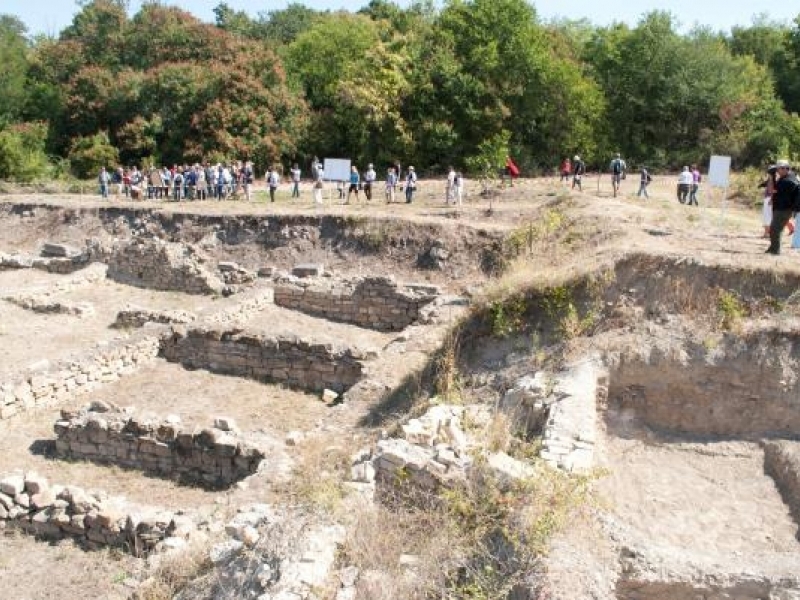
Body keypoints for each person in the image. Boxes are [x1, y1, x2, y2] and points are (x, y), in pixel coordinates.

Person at [766, 160, 800, 255]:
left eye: (780, 168)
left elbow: (771, 190)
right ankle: (773, 248)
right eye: (778, 168)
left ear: (786, 169)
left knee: (775, 229)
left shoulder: (786, 181)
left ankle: (775, 250)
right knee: (776, 229)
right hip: (783, 208)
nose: (778, 170)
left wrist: (771, 176)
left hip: (783, 209)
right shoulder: (789, 177)